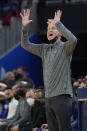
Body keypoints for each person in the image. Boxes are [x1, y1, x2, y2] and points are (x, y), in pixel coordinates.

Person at [20, 9, 77, 131]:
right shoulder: (44, 49)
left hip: (62, 97)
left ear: (60, 33)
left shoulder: (65, 48)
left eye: (53, 28)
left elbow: (73, 40)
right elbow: (25, 45)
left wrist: (58, 24)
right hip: (49, 98)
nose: (49, 30)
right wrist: (24, 28)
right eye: (48, 29)